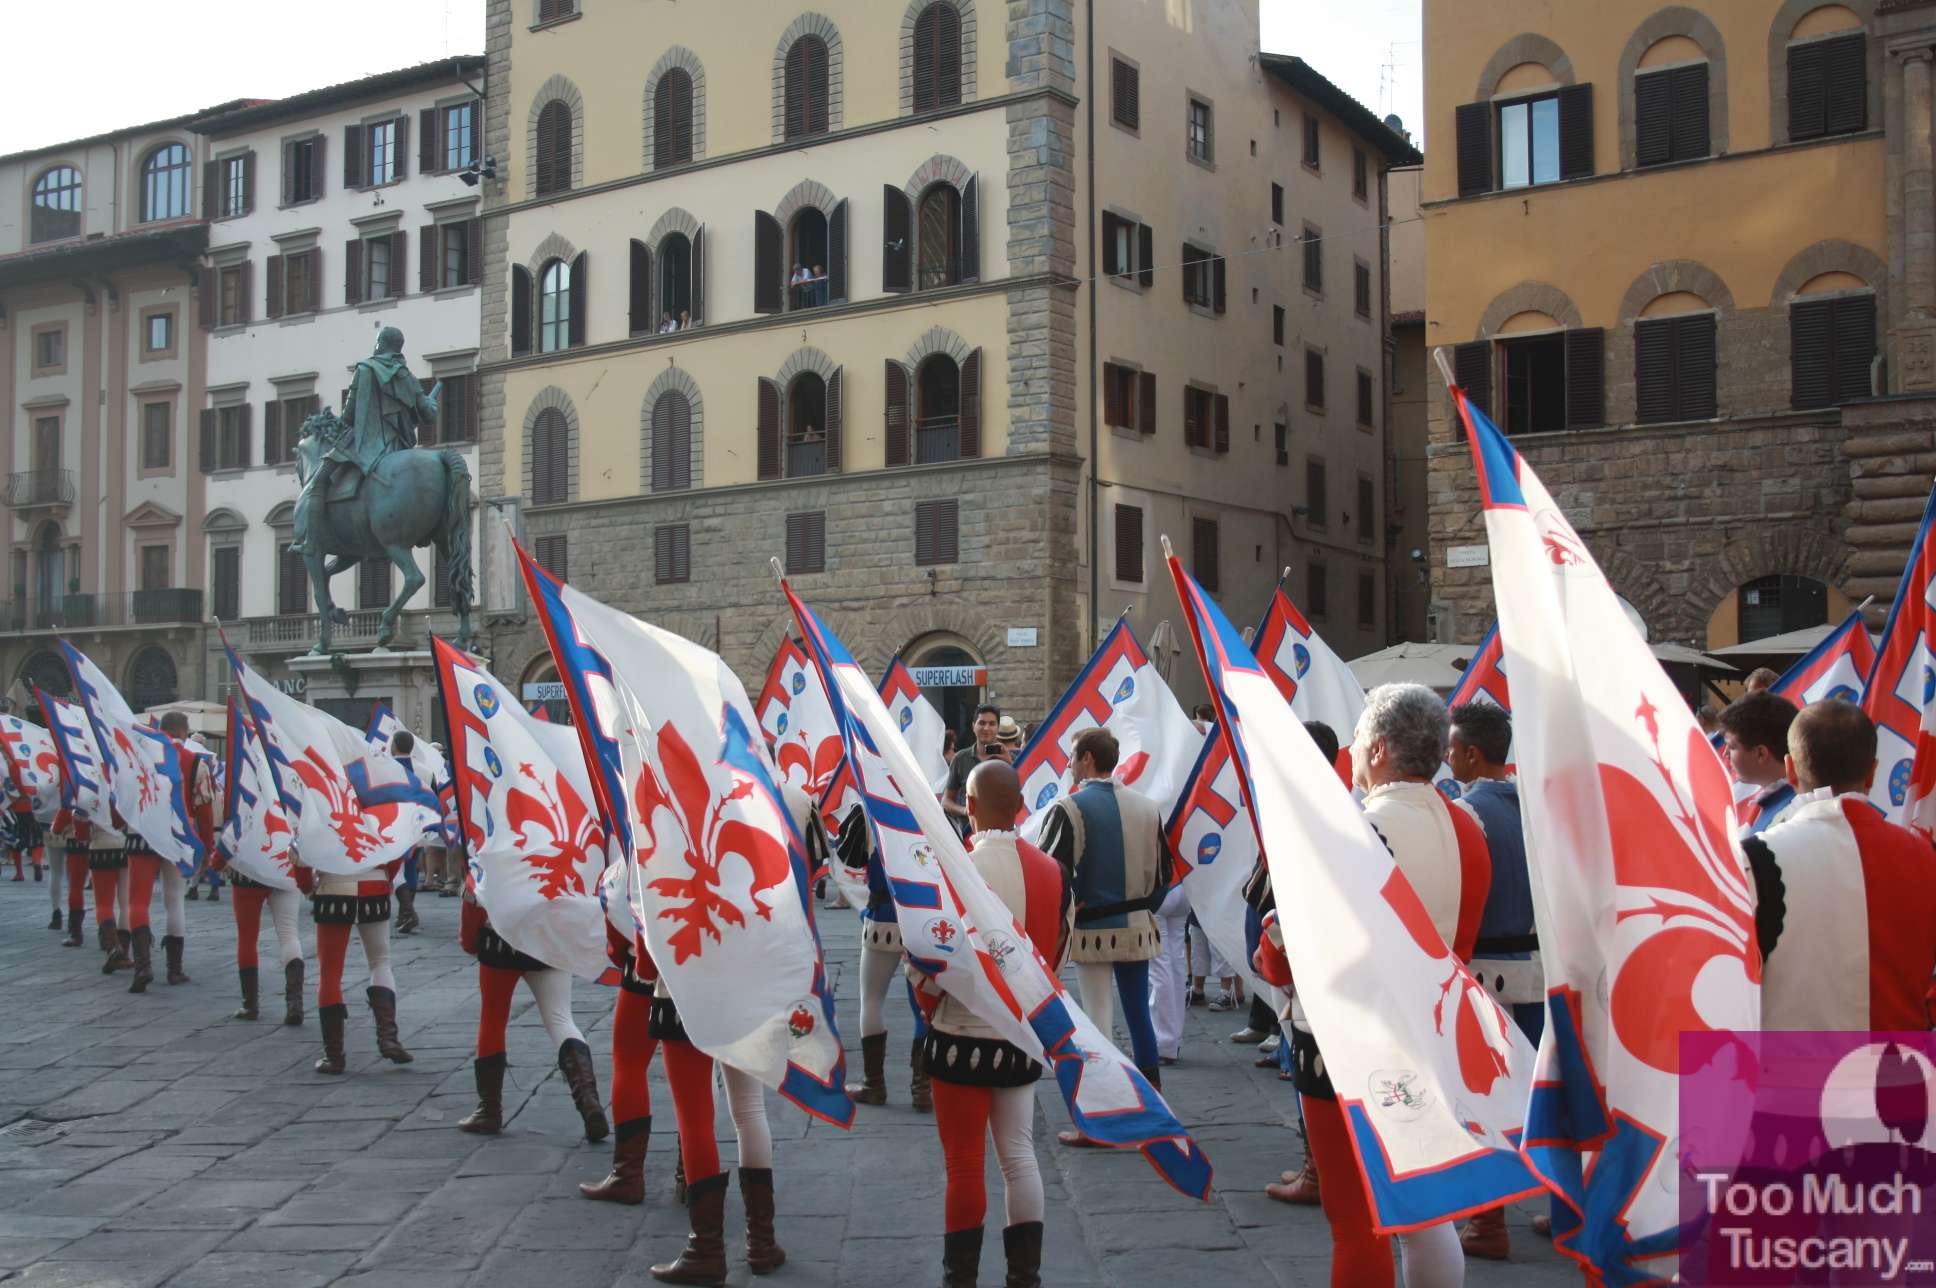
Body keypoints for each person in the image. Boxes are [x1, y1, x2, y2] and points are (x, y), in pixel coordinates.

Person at [1260, 684, 1487, 1288]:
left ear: (1380, 748)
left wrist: (1272, 935)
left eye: (1359, 740)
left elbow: (1292, 960)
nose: (1354, 753)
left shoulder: (1354, 829)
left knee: (1355, 1223)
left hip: (1347, 1042)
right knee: (1423, 1211)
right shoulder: (1467, 824)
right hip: (1433, 1030)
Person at [646, 783, 824, 1284]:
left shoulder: (662, 789)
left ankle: (706, 1249)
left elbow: (647, 900)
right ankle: (761, 1243)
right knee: (748, 1110)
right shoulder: (792, 797)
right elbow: (807, 885)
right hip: (754, 968)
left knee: (695, 1116)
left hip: (686, 971)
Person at [920, 760, 1070, 1288]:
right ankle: (1023, 1278)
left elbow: (933, 962)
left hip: (960, 1033)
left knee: (964, 1165)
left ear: (973, 805)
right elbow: (1057, 957)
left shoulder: (955, 867)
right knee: (1020, 1158)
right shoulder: (1052, 871)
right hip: (1022, 1033)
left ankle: (959, 1279)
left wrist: (927, 1003)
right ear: (1021, 804)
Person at [1743, 700, 1936, 1030]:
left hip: (1788, 1074)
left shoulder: (1750, 858)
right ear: (1873, 771)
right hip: (1904, 1073)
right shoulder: (1925, 856)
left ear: (1789, 769)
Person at [1444, 702, 1540, 1261]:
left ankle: (1488, 1222)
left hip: (1486, 968)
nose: (1448, 755)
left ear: (1472, 753)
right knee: (1537, 1093)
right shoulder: (1536, 807)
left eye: (1453, 748)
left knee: (1484, 1095)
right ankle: (1565, 1203)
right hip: (1538, 967)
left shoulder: (1467, 814)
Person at [1039, 728, 1170, 1117]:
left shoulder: (1069, 808)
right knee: (1138, 1015)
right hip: (1137, 924)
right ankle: (1153, 1100)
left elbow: (1052, 875)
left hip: (1092, 929)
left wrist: (1065, 916)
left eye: (1072, 755)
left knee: (1097, 1018)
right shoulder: (1148, 807)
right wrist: (1142, 906)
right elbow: (1164, 875)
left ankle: (1107, 1109)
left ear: (1088, 760)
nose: (1067, 763)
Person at [454, 862, 608, 1143]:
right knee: (561, 1019)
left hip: (499, 938)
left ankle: (489, 1110)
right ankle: (589, 1102)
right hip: (549, 938)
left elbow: (474, 892)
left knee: (493, 1021)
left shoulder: (495, 841)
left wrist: (468, 939)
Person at [290, 326, 439, 555]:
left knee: (317, 482)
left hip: (364, 445)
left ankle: (310, 540)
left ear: (380, 344)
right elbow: (428, 415)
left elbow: (349, 415)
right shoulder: (405, 376)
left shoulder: (366, 369)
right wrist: (432, 405)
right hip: (397, 447)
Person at [840, 803, 931, 1111]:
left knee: (872, 1000)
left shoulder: (867, 808)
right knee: (924, 1005)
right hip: (921, 918)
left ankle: (874, 1085)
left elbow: (847, 856)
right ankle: (923, 1089)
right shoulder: (927, 806)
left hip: (882, 918)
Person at [119, 711, 214, 993]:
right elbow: (205, 809)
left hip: (143, 833)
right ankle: (174, 970)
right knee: (175, 900)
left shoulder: (141, 756)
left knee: (138, 900)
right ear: (185, 731)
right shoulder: (196, 761)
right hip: (177, 835)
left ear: (162, 729)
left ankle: (143, 965)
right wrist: (206, 848)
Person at [297, 844, 412, 1075]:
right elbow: (397, 844)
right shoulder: (377, 807)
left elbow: (300, 855)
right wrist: (386, 877)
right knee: (381, 961)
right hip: (375, 884)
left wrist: (307, 886)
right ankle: (389, 1038)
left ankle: (334, 1056)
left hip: (332, 886)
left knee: (329, 972)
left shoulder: (318, 807)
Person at [212, 842, 306, 1025]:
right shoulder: (294, 812)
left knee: (247, 938)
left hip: (248, 872)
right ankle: (295, 1004)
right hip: (285, 869)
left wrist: (215, 863)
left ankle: (250, 1005)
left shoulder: (243, 813)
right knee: (289, 934)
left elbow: (226, 844)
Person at [1716, 691, 1800, 836]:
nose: (1725, 754)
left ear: (1761, 753)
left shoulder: (1794, 811)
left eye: (1732, 747)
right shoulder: (1779, 799)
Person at [943, 706, 1005, 829]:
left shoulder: (1009, 759)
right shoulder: (960, 759)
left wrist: (1009, 765)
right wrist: (965, 811)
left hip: (1000, 835)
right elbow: (946, 801)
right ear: (973, 726)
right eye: (981, 723)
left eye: (992, 724)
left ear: (998, 728)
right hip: (968, 836)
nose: (986, 728)